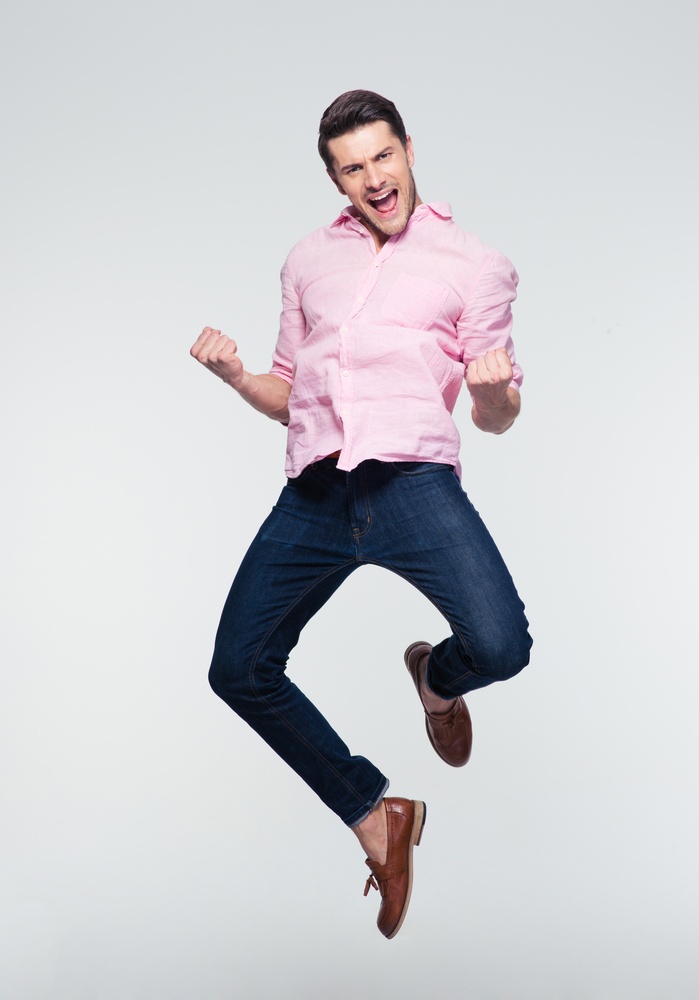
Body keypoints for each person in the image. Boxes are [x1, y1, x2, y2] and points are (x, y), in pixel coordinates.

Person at [190, 90, 532, 939]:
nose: (374, 179)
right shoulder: (308, 261)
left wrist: (494, 396)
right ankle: (377, 816)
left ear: (409, 149)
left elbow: (497, 412)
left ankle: (436, 679)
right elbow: (287, 391)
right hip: (315, 495)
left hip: (413, 486)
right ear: (336, 178)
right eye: (353, 167)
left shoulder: (474, 265)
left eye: (384, 157)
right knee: (238, 668)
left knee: (501, 645)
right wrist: (237, 376)